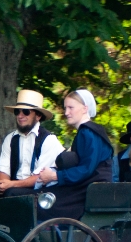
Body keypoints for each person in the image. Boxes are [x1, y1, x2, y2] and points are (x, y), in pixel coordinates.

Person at [36, 90, 114, 220]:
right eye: (65, 108)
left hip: (87, 191)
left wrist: (54, 176)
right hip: (86, 187)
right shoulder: (87, 132)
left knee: (38, 202)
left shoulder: (88, 133)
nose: (66, 113)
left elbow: (87, 168)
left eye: (71, 108)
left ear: (85, 109)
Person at [0, 90, 64, 201]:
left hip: (40, 192)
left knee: (12, 193)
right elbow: (3, 170)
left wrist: (11, 185)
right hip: (12, 188)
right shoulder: (10, 138)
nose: (20, 116)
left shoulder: (49, 140)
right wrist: (3, 185)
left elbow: (39, 178)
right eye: (17, 111)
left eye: (26, 112)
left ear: (38, 116)